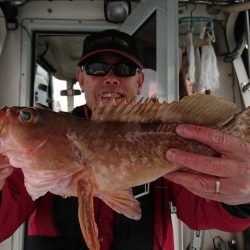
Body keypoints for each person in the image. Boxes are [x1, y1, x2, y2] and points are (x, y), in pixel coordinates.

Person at [0, 29, 250, 250]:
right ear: (81, 80)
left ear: (139, 82)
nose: (111, 77)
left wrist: (244, 197)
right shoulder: (29, 158)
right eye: (97, 68)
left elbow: (201, 211)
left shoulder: (166, 132)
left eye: (124, 69)